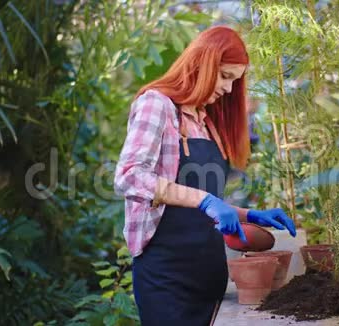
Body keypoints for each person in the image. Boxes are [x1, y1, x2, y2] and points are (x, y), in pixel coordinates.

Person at [113, 26, 296, 326]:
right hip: (167, 280)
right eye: (225, 76)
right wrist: (207, 200)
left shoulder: (206, 122)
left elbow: (199, 206)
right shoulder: (157, 105)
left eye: (234, 81)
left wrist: (250, 214)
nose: (228, 88)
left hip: (209, 279)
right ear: (203, 63)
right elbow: (129, 176)